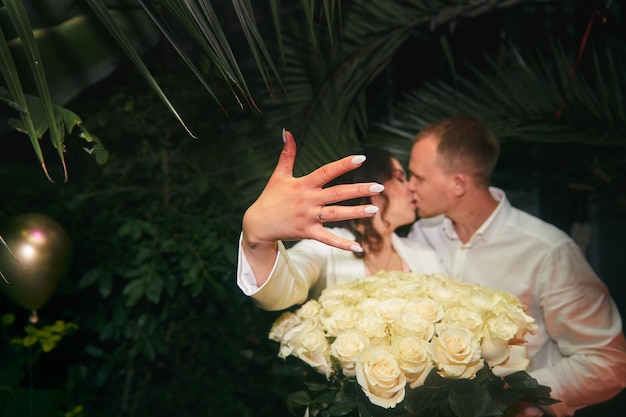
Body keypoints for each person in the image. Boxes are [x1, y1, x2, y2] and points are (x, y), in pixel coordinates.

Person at [405, 116, 626, 417]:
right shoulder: (422, 235)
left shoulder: (547, 251)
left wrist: (522, 393)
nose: (409, 186)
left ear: (458, 183)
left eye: (419, 177)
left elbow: (609, 361)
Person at [237, 129, 442, 310]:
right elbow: (283, 292)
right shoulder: (326, 247)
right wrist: (258, 241)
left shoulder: (425, 256)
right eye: (399, 177)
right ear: (372, 184)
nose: (411, 188)